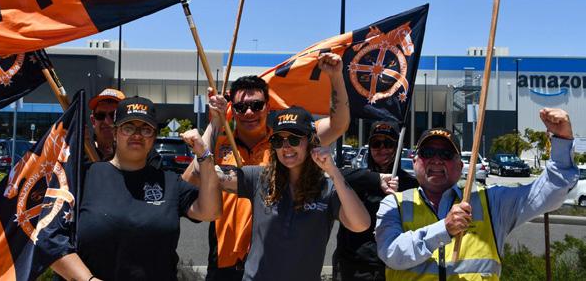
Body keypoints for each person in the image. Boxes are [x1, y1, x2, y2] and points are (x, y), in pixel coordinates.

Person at [182, 52, 350, 281]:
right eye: (241, 107)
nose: (249, 112)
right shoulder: (218, 144)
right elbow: (191, 179)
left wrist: (336, 77)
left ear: (268, 106)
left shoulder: (287, 144)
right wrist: (216, 120)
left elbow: (338, 125)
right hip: (225, 262)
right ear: (233, 109)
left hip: (272, 264)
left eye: (256, 105)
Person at [376, 108, 579, 280]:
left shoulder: (491, 201)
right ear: (414, 161)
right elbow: (391, 253)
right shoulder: (394, 204)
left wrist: (562, 141)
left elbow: (549, 192)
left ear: (460, 165)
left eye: (446, 154)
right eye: (428, 153)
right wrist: (444, 229)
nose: (436, 160)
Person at [184, 106, 370, 280]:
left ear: (311, 142)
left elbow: (360, 224)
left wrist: (333, 171)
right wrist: (206, 141)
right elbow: (203, 175)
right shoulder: (259, 178)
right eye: (278, 141)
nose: (286, 147)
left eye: (294, 139)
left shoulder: (327, 188)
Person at [51, 96, 222, 281]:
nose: (137, 135)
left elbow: (210, 211)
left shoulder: (170, 182)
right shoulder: (82, 179)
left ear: (154, 137)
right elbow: (50, 239)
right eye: (128, 128)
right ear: (115, 133)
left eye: (146, 129)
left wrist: (204, 155)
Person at [333, 121, 418, 281]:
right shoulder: (358, 178)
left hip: (391, 268)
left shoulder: (410, 184)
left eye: (388, 144)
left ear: (397, 147)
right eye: (376, 144)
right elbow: (335, 175)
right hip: (353, 267)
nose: (382, 149)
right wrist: (376, 179)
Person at [88, 88, 125, 160]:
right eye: (100, 115)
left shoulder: (140, 157)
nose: (107, 122)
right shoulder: (80, 156)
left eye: (114, 115)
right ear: (93, 121)